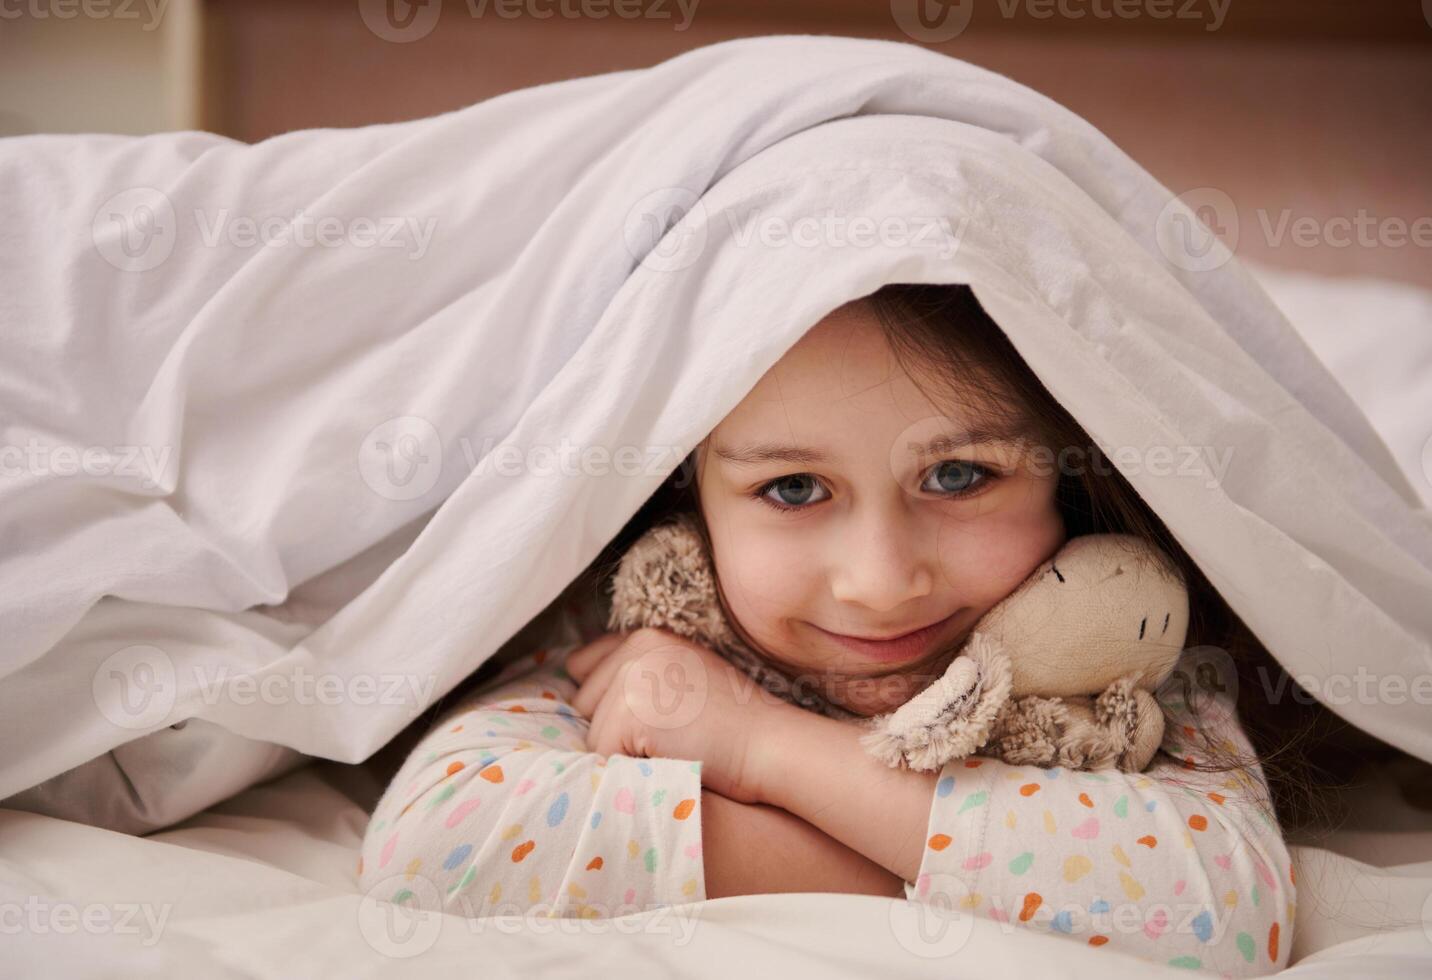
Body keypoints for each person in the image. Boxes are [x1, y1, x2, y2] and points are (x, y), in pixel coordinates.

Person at [359, 283, 1317, 975]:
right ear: (692, 506)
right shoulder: (653, 638)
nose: (881, 582)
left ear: (1068, 478)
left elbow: (1228, 906)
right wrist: (982, 862)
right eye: (792, 489)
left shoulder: (1123, 652)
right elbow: (436, 846)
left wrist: (763, 746)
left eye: (959, 475)